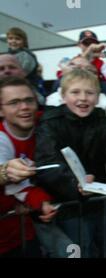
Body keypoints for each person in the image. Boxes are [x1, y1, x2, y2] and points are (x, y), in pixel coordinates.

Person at [34, 69, 106, 258]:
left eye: (89, 93)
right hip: (69, 204)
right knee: (80, 249)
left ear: (97, 97)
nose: (83, 98)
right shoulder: (50, 122)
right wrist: (74, 184)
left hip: (100, 200)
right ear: (63, 96)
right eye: (75, 92)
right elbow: (47, 162)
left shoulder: (100, 119)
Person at [0, 76, 62, 257]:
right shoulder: (2, 138)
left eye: (29, 100)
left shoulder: (45, 123)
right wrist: (7, 172)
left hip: (25, 230)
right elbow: (15, 184)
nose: (24, 107)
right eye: (14, 102)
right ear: (1, 110)